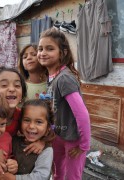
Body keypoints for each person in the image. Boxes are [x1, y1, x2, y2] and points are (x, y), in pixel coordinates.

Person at [37, 28, 91, 180]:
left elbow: (82, 114)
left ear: (62, 52)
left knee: (72, 176)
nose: (43, 53)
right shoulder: (52, 77)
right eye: (40, 49)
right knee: (57, 173)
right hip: (58, 135)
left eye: (50, 48)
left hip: (73, 139)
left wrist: (84, 145)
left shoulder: (64, 78)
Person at [0, 99, 55, 180]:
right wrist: (10, 165)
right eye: (27, 120)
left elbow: (41, 176)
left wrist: (14, 178)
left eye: (38, 122)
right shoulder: (13, 140)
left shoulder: (46, 150)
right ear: (20, 123)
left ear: (48, 127)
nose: (31, 126)